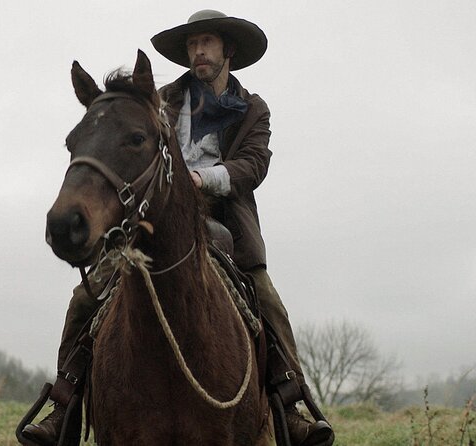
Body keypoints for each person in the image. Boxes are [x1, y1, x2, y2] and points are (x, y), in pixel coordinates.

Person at [23, 10, 334, 446]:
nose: (198, 51)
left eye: (207, 42)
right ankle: (64, 406)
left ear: (228, 49)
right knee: (84, 298)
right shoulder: (160, 100)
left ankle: (290, 404)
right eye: (192, 44)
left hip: (226, 226)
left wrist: (202, 179)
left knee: (267, 299)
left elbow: (252, 164)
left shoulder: (252, 109)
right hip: (151, 222)